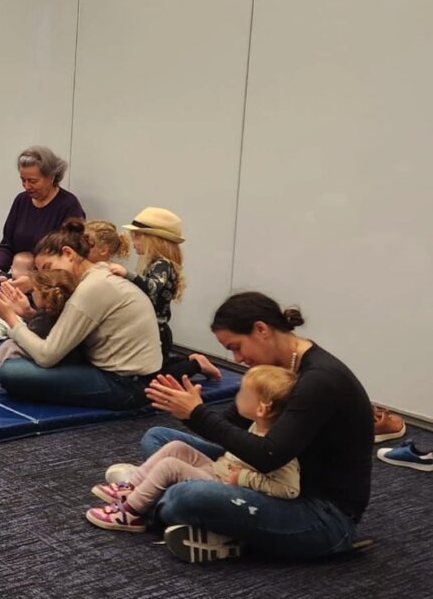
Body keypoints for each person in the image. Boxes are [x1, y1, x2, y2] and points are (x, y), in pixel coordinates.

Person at [137, 293, 372, 563]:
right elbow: (230, 428)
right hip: (260, 478)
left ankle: (150, 498)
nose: (237, 358)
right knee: (158, 438)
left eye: (237, 347)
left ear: (261, 329)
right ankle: (184, 506)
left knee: (184, 496)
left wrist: (196, 413)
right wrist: (187, 410)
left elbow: (269, 456)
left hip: (320, 513)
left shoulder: (319, 381)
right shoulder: (275, 367)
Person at [86, 365, 300, 532]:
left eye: (243, 394)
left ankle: (132, 513)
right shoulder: (257, 423)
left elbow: (289, 488)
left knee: (171, 467)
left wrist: (243, 478)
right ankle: (132, 487)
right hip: (219, 470)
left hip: (226, 485)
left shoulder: (276, 443)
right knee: (176, 447)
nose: (237, 396)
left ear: (262, 409)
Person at [0, 220, 161, 410]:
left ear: (68, 253)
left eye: (48, 266)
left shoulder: (92, 287)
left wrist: (10, 319)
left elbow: (47, 355)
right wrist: (28, 314)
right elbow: (64, 335)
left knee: (11, 372)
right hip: (129, 377)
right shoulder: (96, 276)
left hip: (128, 386)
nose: (46, 276)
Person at [108, 207, 220, 381]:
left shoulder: (163, 265)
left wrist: (126, 274)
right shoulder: (153, 265)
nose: (134, 241)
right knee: (157, 367)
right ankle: (191, 361)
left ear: (152, 240)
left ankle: (196, 365)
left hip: (158, 331)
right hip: (151, 329)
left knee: (152, 378)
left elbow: (152, 286)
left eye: (137, 236)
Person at [0, 145, 85, 309]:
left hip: (49, 287)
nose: (27, 186)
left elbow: (71, 259)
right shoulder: (21, 201)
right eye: (23, 180)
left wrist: (34, 281)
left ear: (51, 177)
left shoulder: (69, 206)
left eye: (33, 181)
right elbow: (7, 244)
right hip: (16, 280)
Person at [0, 268, 79, 388]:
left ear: (41, 297)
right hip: (68, 357)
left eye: (34, 290)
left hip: (51, 357)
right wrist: (27, 313)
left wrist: (11, 321)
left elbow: (29, 336)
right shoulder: (62, 313)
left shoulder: (43, 320)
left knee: (10, 346)